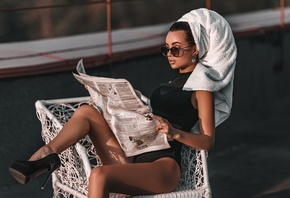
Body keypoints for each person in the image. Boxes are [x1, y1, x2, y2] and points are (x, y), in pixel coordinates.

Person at [9, 19, 216, 198]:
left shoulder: (201, 88)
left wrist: (175, 133)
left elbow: (208, 141)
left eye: (176, 49)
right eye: (166, 49)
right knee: (87, 112)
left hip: (163, 167)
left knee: (99, 174)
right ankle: (46, 155)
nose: (170, 54)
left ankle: (45, 159)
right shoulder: (167, 84)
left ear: (195, 50)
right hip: (134, 158)